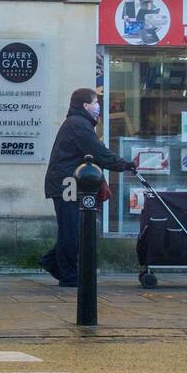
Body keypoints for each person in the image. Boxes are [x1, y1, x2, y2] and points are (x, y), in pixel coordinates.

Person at [41, 87, 136, 288]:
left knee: (73, 229)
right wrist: (123, 164)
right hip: (66, 184)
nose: (98, 106)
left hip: (68, 182)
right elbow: (97, 151)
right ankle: (68, 275)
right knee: (72, 231)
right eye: (95, 102)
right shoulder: (79, 124)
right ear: (85, 105)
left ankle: (52, 262)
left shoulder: (79, 123)